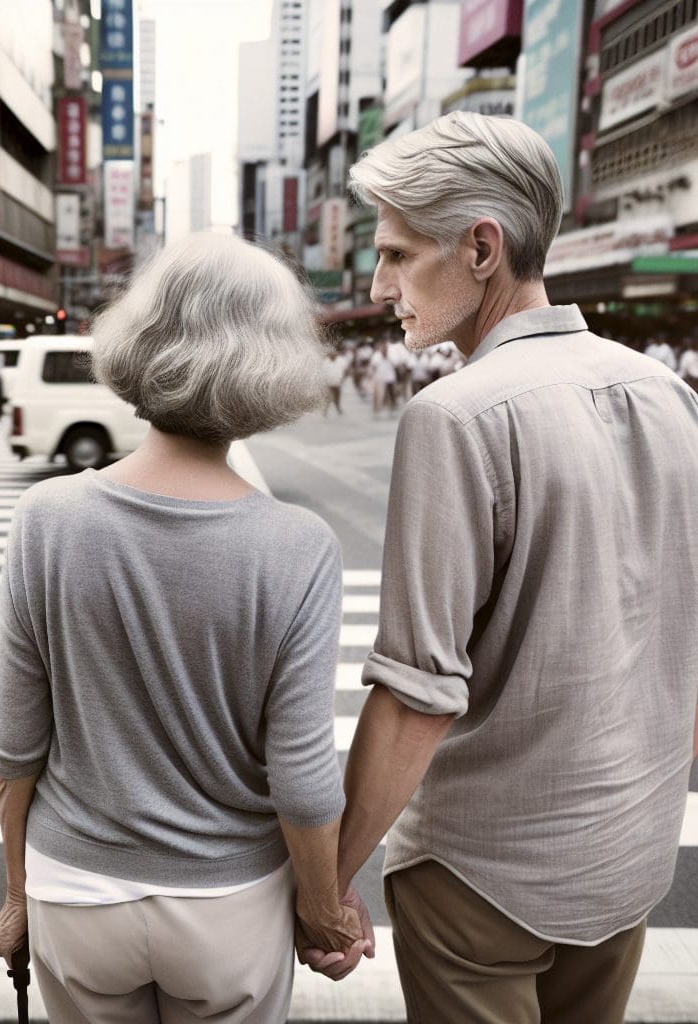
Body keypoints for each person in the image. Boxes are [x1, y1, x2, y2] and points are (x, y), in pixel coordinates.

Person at [304, 111, 698, 1022]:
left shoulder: (456, 416)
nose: (380, 281)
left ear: (482, 247)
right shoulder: (673, 396)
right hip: (631, 858)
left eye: (400, 255)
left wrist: (326, 891)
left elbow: (415, 691)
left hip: (481, 876)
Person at [0, 232, 373, 1022]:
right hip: (228, 903)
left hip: (74, 891)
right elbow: (300, 777)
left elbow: (15, 745)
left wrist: (16, 899)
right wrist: (323, 910)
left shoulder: (47, 519)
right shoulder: (297, 548)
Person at [321, 348, 349, 415]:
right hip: (329, 382)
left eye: (334, 352)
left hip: (338, 382)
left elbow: (346, 371)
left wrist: (343, 379)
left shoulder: (341, 360)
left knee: (337, 396)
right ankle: (327, 409)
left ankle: (337, 408)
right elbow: (322, 372)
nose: (332, 354)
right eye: (331, 353)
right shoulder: (325, 362)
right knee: (329, 396)